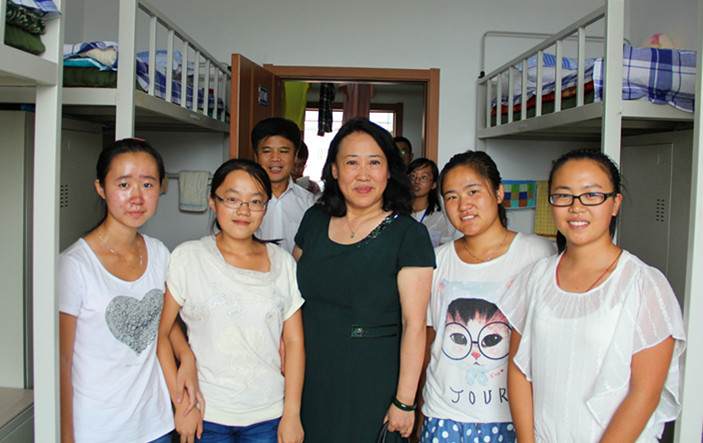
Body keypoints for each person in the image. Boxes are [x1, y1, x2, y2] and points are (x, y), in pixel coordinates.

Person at [500, 148, 686, 442]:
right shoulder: (535, 277)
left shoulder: (644, 284)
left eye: (592, 195)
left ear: (615, 204)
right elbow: (519, 370)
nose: (577, 207)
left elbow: (645, 393)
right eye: (564, 195)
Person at [294, 117, 435, 442]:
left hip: (372, 383)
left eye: (374, 162)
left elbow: (415, 325)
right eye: (351, 162)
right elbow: (290, 300)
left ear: (389, 171)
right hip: (309, 375)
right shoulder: (314, 220)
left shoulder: (408, 235)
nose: (363, 175)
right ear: (334, 169)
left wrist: (405, 400)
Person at [157, 158, 305, 443]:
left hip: (268, 415)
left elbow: (295, 343)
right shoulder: (188, 257)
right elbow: (162, 332)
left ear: (265, 207)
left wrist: (292, 413)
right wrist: (181, 404)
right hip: (204, 414)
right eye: (232, 199)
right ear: (213, 201)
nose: (243, 210)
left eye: (255, 201)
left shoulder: (283, 263)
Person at [418, 151, 555, 443]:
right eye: (451, 196)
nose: (463, 205)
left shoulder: (538, 254)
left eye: (473, 191)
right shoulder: (437, 260)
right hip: (445, 416)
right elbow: (428, 339)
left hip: (514, 419)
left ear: (499, 192)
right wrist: (418, 409)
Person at [59, 138, 188, 443]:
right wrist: (65, 435)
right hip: (96, 429)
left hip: (155, 425)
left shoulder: (159, 253)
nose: (137, 197)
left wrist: (187, 360)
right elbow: (61, 362)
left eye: (147, 184)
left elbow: (165, 326)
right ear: (101, 188)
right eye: (124, 184)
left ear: (161, 187)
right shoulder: (75, 265)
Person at [253, 117, 316, 253]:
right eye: (267, 151)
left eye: (283, 151)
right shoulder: (241, 203)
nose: (275, 158)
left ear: (295, 156)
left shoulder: (309, 204)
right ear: (256, 156)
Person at [407, 157, 461, 247]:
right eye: (413, 176)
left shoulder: (440, 217)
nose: (416, 181)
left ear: (434, 184)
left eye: (424, 177)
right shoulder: (398, 212)